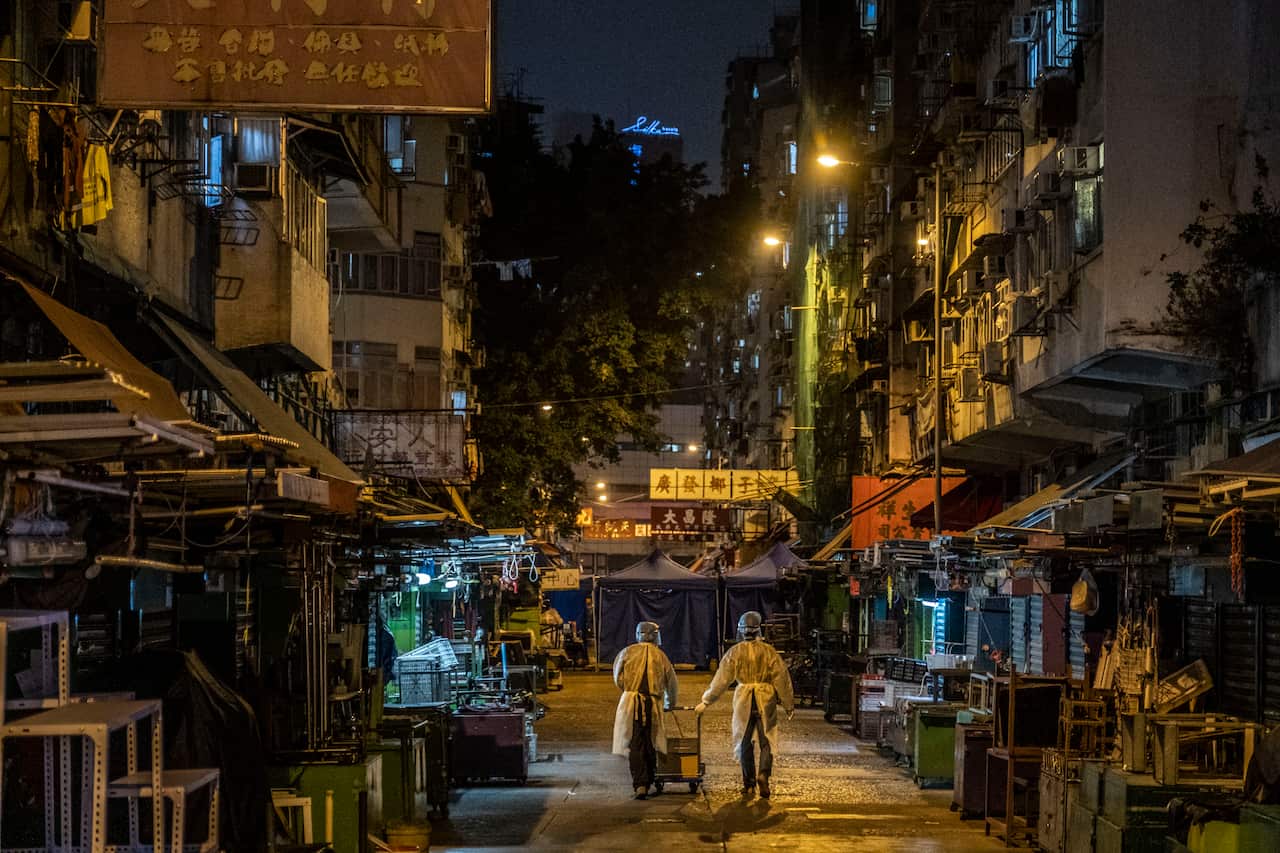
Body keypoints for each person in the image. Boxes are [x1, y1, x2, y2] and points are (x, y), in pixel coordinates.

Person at [696, 611, 794, 798]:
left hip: (744, 701)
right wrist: (789, 704)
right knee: (767, 741)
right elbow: (782, 679)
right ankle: (763, 774)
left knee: (744, 741)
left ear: (741, 630)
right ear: (759, 630)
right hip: (766, 700)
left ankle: (748, 783)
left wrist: (706, 701)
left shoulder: (734, 652)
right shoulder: (769, 651)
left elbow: (721, 681)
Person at [612, 621, 679, 799]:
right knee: (650, 740)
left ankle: (640, 783)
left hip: (631, 703)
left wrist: (629, 690)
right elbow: (671, 683)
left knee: (635, 742)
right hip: (651, 703)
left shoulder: (627, 652)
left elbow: (617, 677)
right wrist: (669, 703)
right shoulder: (661, 656)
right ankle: (648, 779)